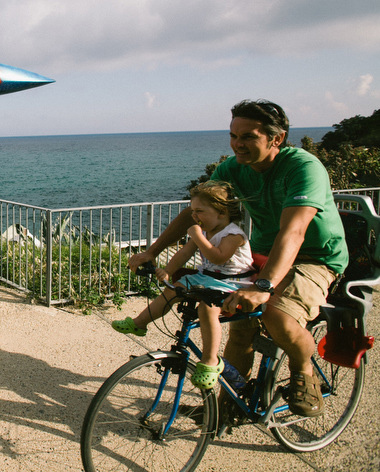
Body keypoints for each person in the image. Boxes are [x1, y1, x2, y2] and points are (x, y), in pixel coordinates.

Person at [129, 100, 347, 416]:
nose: (237, 144)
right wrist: (153, 251)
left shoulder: (303, 167)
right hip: (262, 253)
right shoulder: (233, 169)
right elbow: (195, 214)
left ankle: (305, 373)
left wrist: (264, 285)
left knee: (275, 315)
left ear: (277, 139)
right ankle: (231, 404)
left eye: (247, 137)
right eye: (233, 135)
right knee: (237, 322)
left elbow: (294, 232)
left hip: (314, 257)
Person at [113, 181, 255, 389]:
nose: (194, 216)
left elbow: (217, 257)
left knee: (208, 309)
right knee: (174, 289)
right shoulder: (206, 231)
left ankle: (210, 361)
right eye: (193, 211)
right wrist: (168, 271)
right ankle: (140, 322)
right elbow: (184, 253)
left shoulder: (233, 235)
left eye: (200, 211)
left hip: (233, 283)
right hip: (207, 278)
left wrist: (197, 237)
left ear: (222, 212)